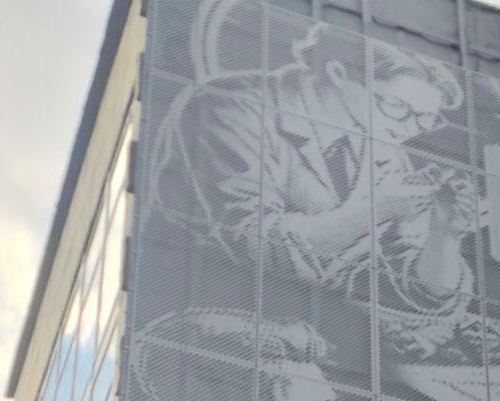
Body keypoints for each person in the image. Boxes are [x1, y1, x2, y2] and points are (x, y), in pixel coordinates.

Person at [147, 4, 475, 349]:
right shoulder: (230, 108)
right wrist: (373, 211)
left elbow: (405, 287)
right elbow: (254, 244)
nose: (410, 129)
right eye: (396, 107)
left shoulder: (384, 145)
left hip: (316, 338)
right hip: (203, 332)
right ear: (338, 72)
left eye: (426, 120)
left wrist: (444, 234)